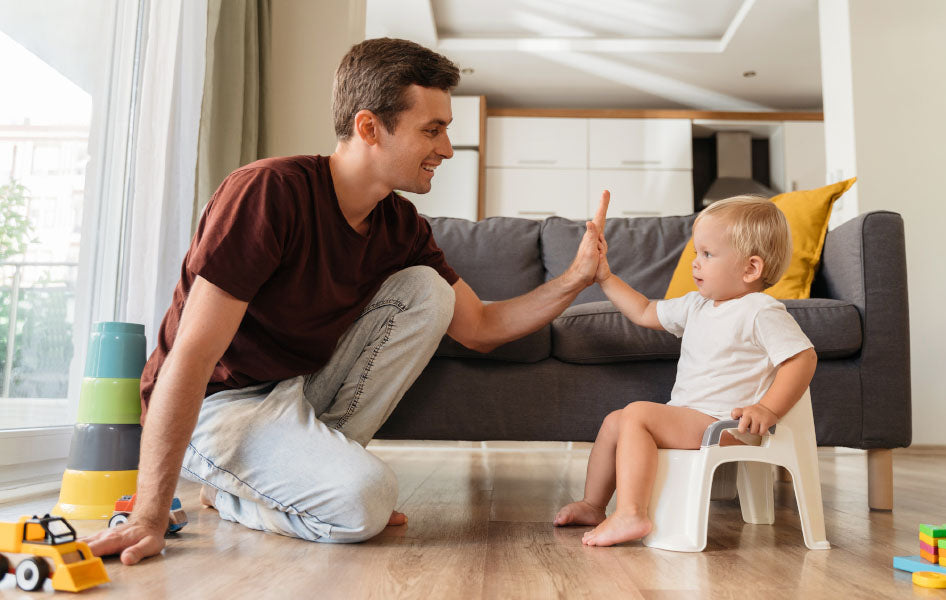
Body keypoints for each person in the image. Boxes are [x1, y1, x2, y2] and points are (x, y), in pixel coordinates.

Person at [85, 37, 610, 565]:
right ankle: (245, 491)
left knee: (427, 291)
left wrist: (574, 279)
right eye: (433, 129)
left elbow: (479, 326)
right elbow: (192, 356)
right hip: (218, 407)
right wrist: (148, 516)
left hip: (297, 392)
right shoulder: (267, 193)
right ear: (368, 128)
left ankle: (275, 486)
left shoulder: (400, 225)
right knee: (367, 499)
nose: (447, 148)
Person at [553, 195, 817, 546]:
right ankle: (593, 504)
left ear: (750, 269)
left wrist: (768, 408)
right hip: (692, 417)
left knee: (636, 415)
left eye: (707, 255)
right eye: (696, 253)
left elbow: (802, 358)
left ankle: (632, 513)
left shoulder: (760, 310)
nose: (696, 263)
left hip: (727, 424)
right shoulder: (698, 304)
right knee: (616, 420)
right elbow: (644, 311)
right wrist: (605, 277)